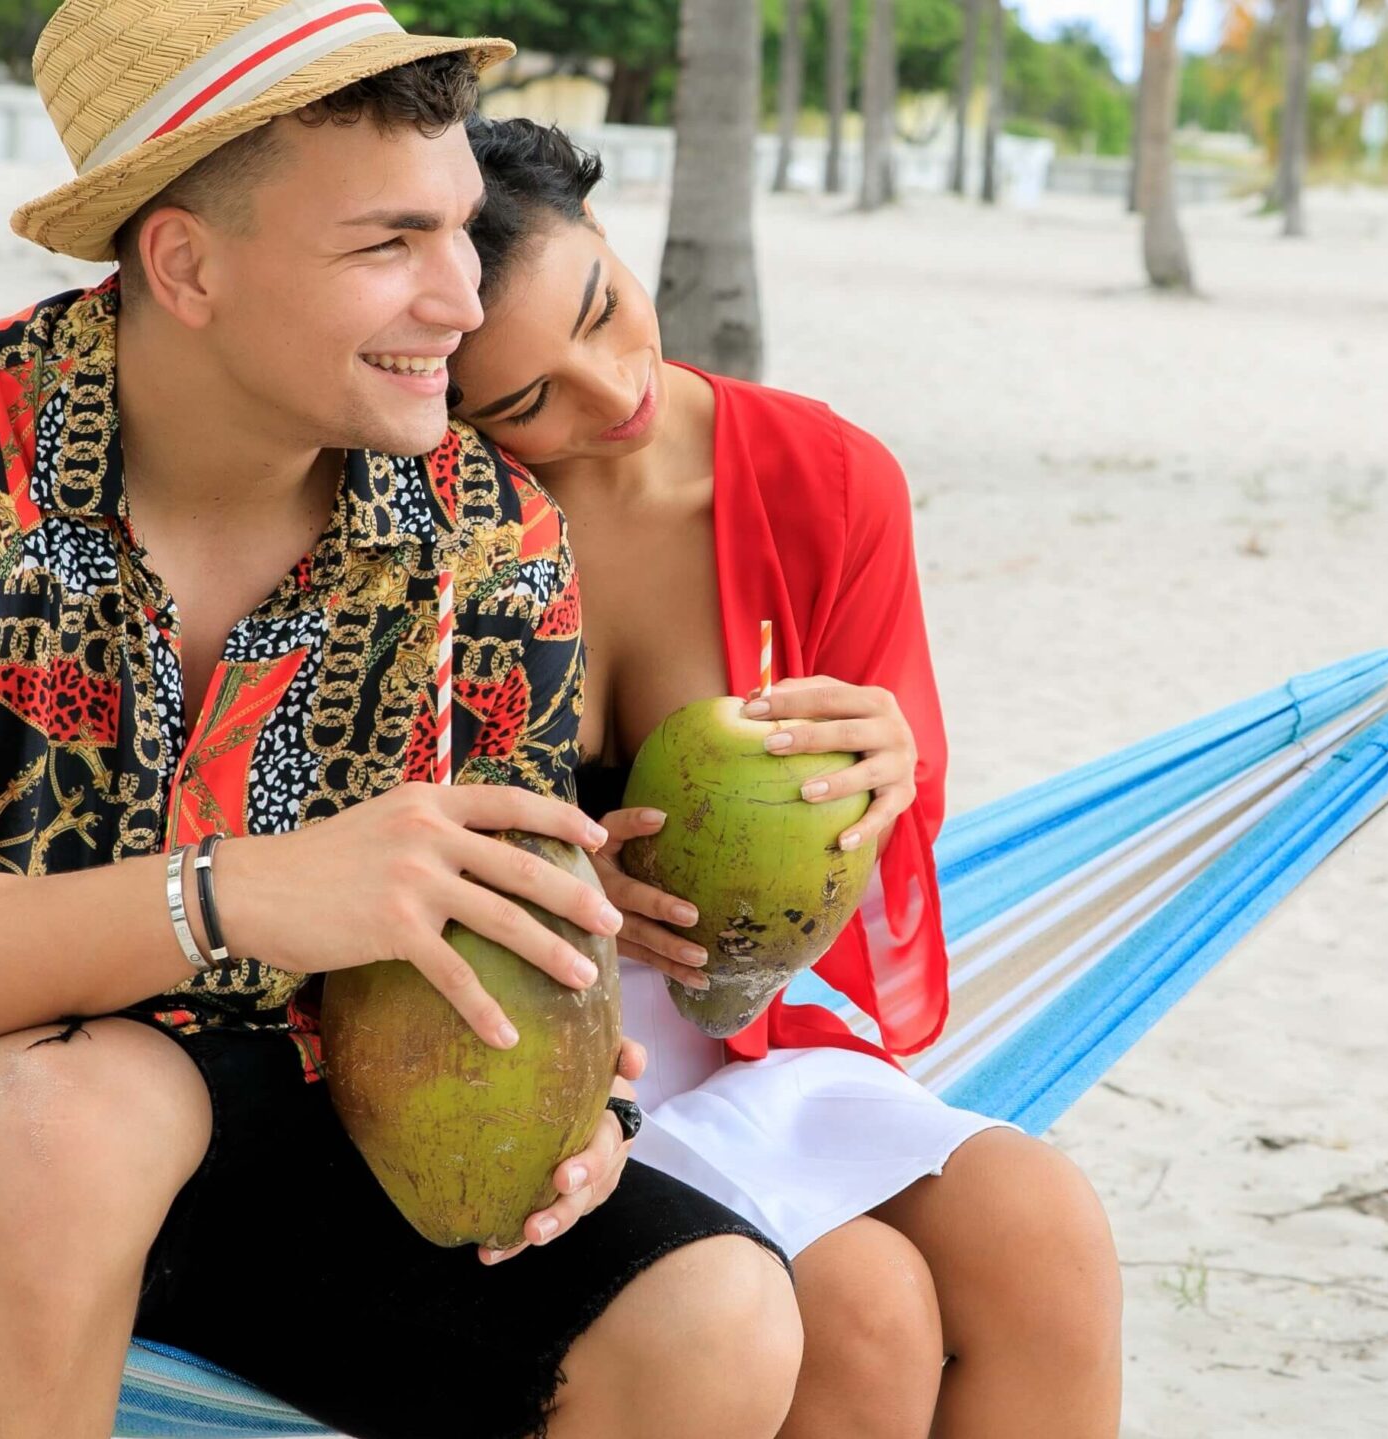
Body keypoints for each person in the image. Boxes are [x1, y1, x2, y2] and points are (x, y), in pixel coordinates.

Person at [0, 5, 798, 1436]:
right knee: (88, 1123)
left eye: (458, 227)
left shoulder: (490, 531)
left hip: (295, 1099)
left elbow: (513, 932)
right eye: (388, 244)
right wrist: (233, 897)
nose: (460, 296)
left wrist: (574, 1105)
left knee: (714, 1313)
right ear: (185, 264)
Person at [445, 118, 1124, 1439]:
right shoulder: (420, 514)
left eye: (604, 307)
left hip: (753, 1013)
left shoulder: (827, 482)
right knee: (867, 1310)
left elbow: (888, 858)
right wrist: (550, 874)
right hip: (542, 1046)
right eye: (525, 402)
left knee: (1047, 1232)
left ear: (609, 235)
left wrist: (888, 767)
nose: (609, 388)